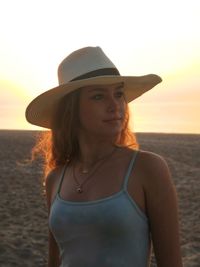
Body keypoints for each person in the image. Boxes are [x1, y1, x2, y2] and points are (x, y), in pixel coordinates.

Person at [26, 46, 183, 267]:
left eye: (119, 94)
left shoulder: (147, 169)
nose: (115, 106)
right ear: (71, 110)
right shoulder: (56, 179)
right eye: (99, 96)